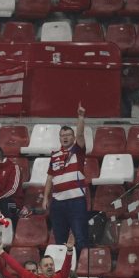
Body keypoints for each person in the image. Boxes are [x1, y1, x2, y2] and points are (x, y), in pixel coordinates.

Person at [43, 104, 89, 253]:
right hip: (57, 203)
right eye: (62, 136)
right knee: (59, 239)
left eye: (68, 135)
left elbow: (81, 135)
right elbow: (50, 178)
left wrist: (80, 117)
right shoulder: (54, 155)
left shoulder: (78, 151)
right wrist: (45, 198)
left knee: (80, 236)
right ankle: (64, 270)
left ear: (73, 137)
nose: (65, 137)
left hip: (76, 201)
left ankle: (81, 270)